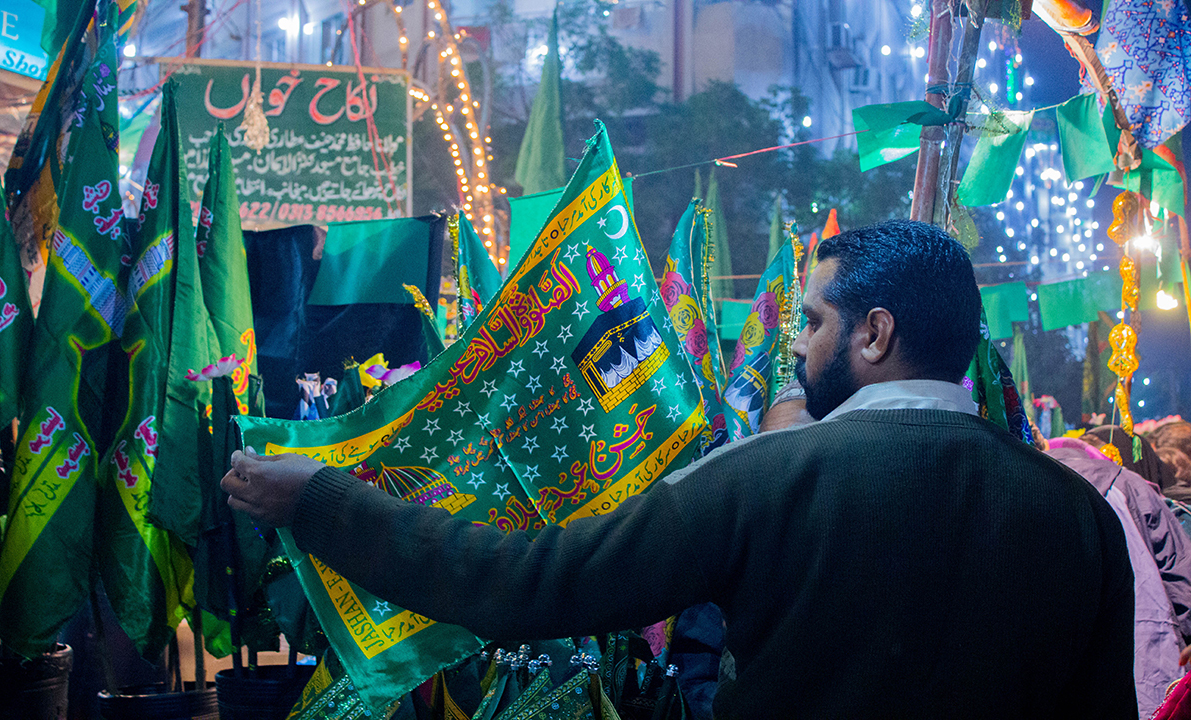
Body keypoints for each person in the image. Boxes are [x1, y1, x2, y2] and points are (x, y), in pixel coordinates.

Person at [223, 220, 1135, 718]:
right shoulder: (1078, 515)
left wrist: (322, 500)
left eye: (814, 323)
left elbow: (529, 581)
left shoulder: (765, 479)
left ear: (874, 333)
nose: (797, 349)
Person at [1046, 436, 1189, 717]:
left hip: (1063, 659)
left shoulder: (1034, 484)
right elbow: (1179, 574)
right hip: (1149, 650)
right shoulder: (1128, 483)